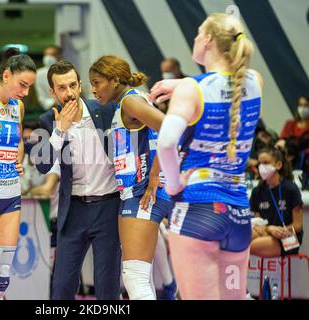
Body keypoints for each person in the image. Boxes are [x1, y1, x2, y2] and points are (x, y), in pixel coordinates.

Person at [153, 12, 263, 300]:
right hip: (238, 214)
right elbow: (226, 84)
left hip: (196, 209)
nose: (194, 37)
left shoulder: (193, 89)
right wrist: (181, 84)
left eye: (199, 32)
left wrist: (174, 185)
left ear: (209, 40)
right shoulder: (254, 81)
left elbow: (165, 142)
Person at [32, 60, 121, 300]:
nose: (69, 93)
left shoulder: (105, 109)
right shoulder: (48, 121)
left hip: (109, 205)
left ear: (80, 85)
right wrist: (60, 130)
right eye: (61, 88)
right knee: (61, 286)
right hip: (73, 209)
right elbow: (42, 165)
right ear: (52, 91)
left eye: (72, 85)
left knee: (108, 286)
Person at [88, 55, 172, 300]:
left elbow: (170, 128)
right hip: (136, 191)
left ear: (115, 80)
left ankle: (170, 285)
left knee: (134, 277)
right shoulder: (127, 102)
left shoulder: (130, 102)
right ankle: (169, 284)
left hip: (143, 191)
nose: (93, 89)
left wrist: (156, 174)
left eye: (97, 82)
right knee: (140, 274)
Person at [0, 51, 36, 299]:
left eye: (29, 87)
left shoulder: (19, 106)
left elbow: (18, 140)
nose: (25, 92)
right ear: (6, 75)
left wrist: (19, 158)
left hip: (11, 192)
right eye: (22, 85)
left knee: (3, 272)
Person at [250, 147, 303, 257]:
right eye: (260, 163)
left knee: (245, 246)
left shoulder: (290, 189)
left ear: (278, 165)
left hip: (289, 238)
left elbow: (298, 225)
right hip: (267, 232)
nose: (262, 167)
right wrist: (270, 229)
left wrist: (280, 231)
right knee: (240, 239)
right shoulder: (257, 192)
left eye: (266, 163)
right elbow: (257, 222)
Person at [35, 45, 62, 111]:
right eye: (46, 55)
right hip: (50, 109)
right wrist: (54, 103)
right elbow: (41, 97)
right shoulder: (39, 74)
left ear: (59, 56)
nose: (48, 58)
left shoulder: (67, 71)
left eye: (52, 54)